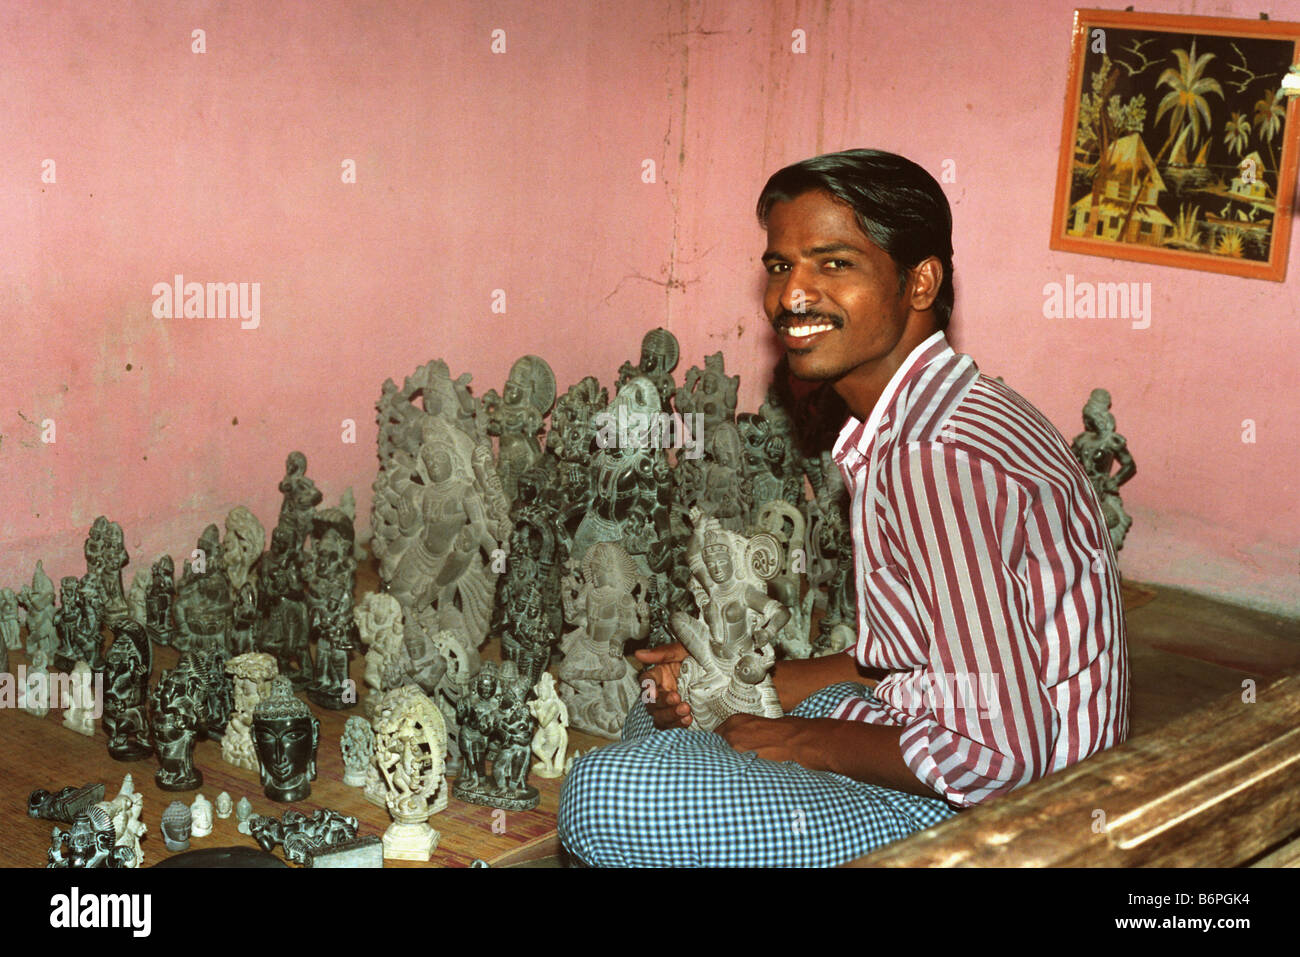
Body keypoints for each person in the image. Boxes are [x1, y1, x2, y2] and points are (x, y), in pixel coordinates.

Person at [558, 148, 1128, 866]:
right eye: (779, 266)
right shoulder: (954, 411)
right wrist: (736, 681)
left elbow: (1001, 752)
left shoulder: (935, 459)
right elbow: (921, 662)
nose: (792, 295)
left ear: (919, 281)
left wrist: (797, 739)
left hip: (1011, 822)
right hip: (950, 735)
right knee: (667, 712)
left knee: (608, 794)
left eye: (834, 264)